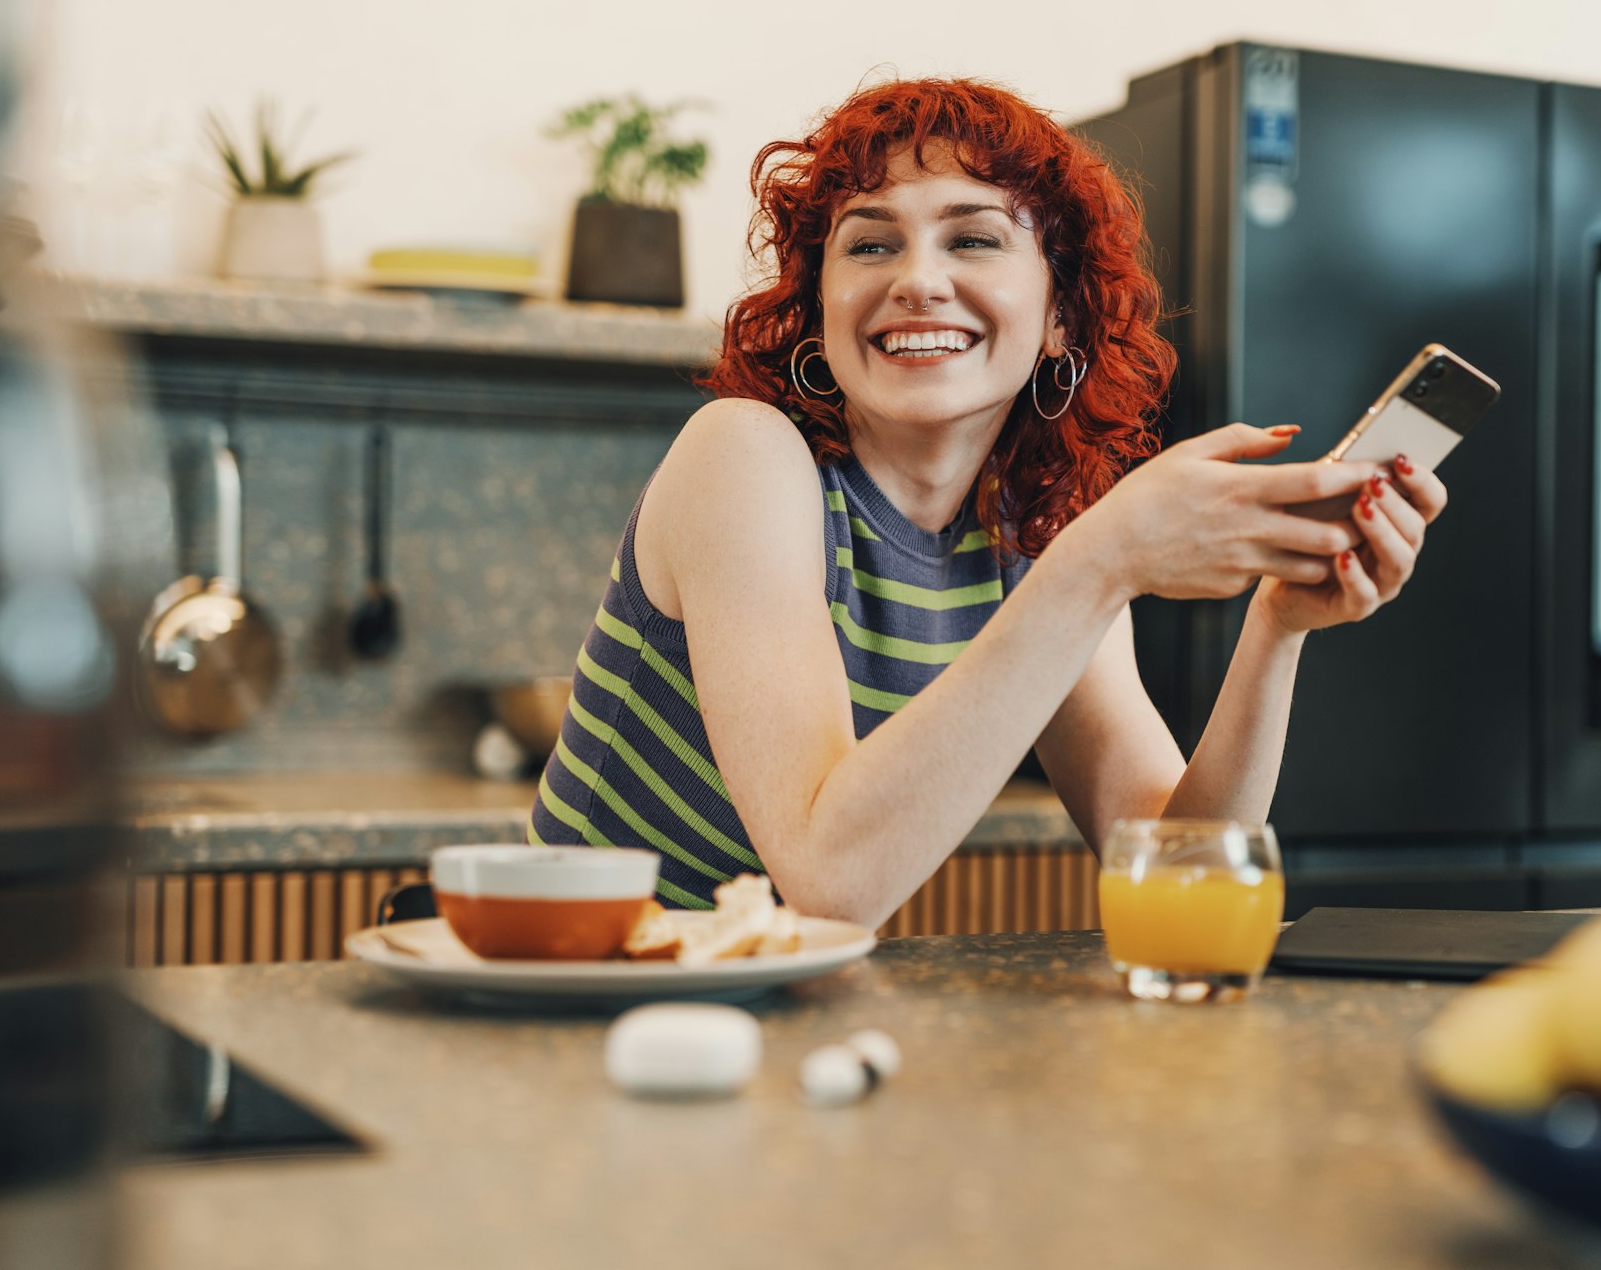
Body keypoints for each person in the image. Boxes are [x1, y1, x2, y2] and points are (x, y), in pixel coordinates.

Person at [527, 78, 1447, 928]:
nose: (917, 278)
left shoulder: (1032, 542)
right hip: (565, 1016)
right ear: (817, 309)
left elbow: (1182, 880)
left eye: (973, 238)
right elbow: (831, 880)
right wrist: (1105, 559)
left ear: (1060, 316)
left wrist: (1277, 629)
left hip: (755, 1028)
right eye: (870, 242)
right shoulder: (745, 456)